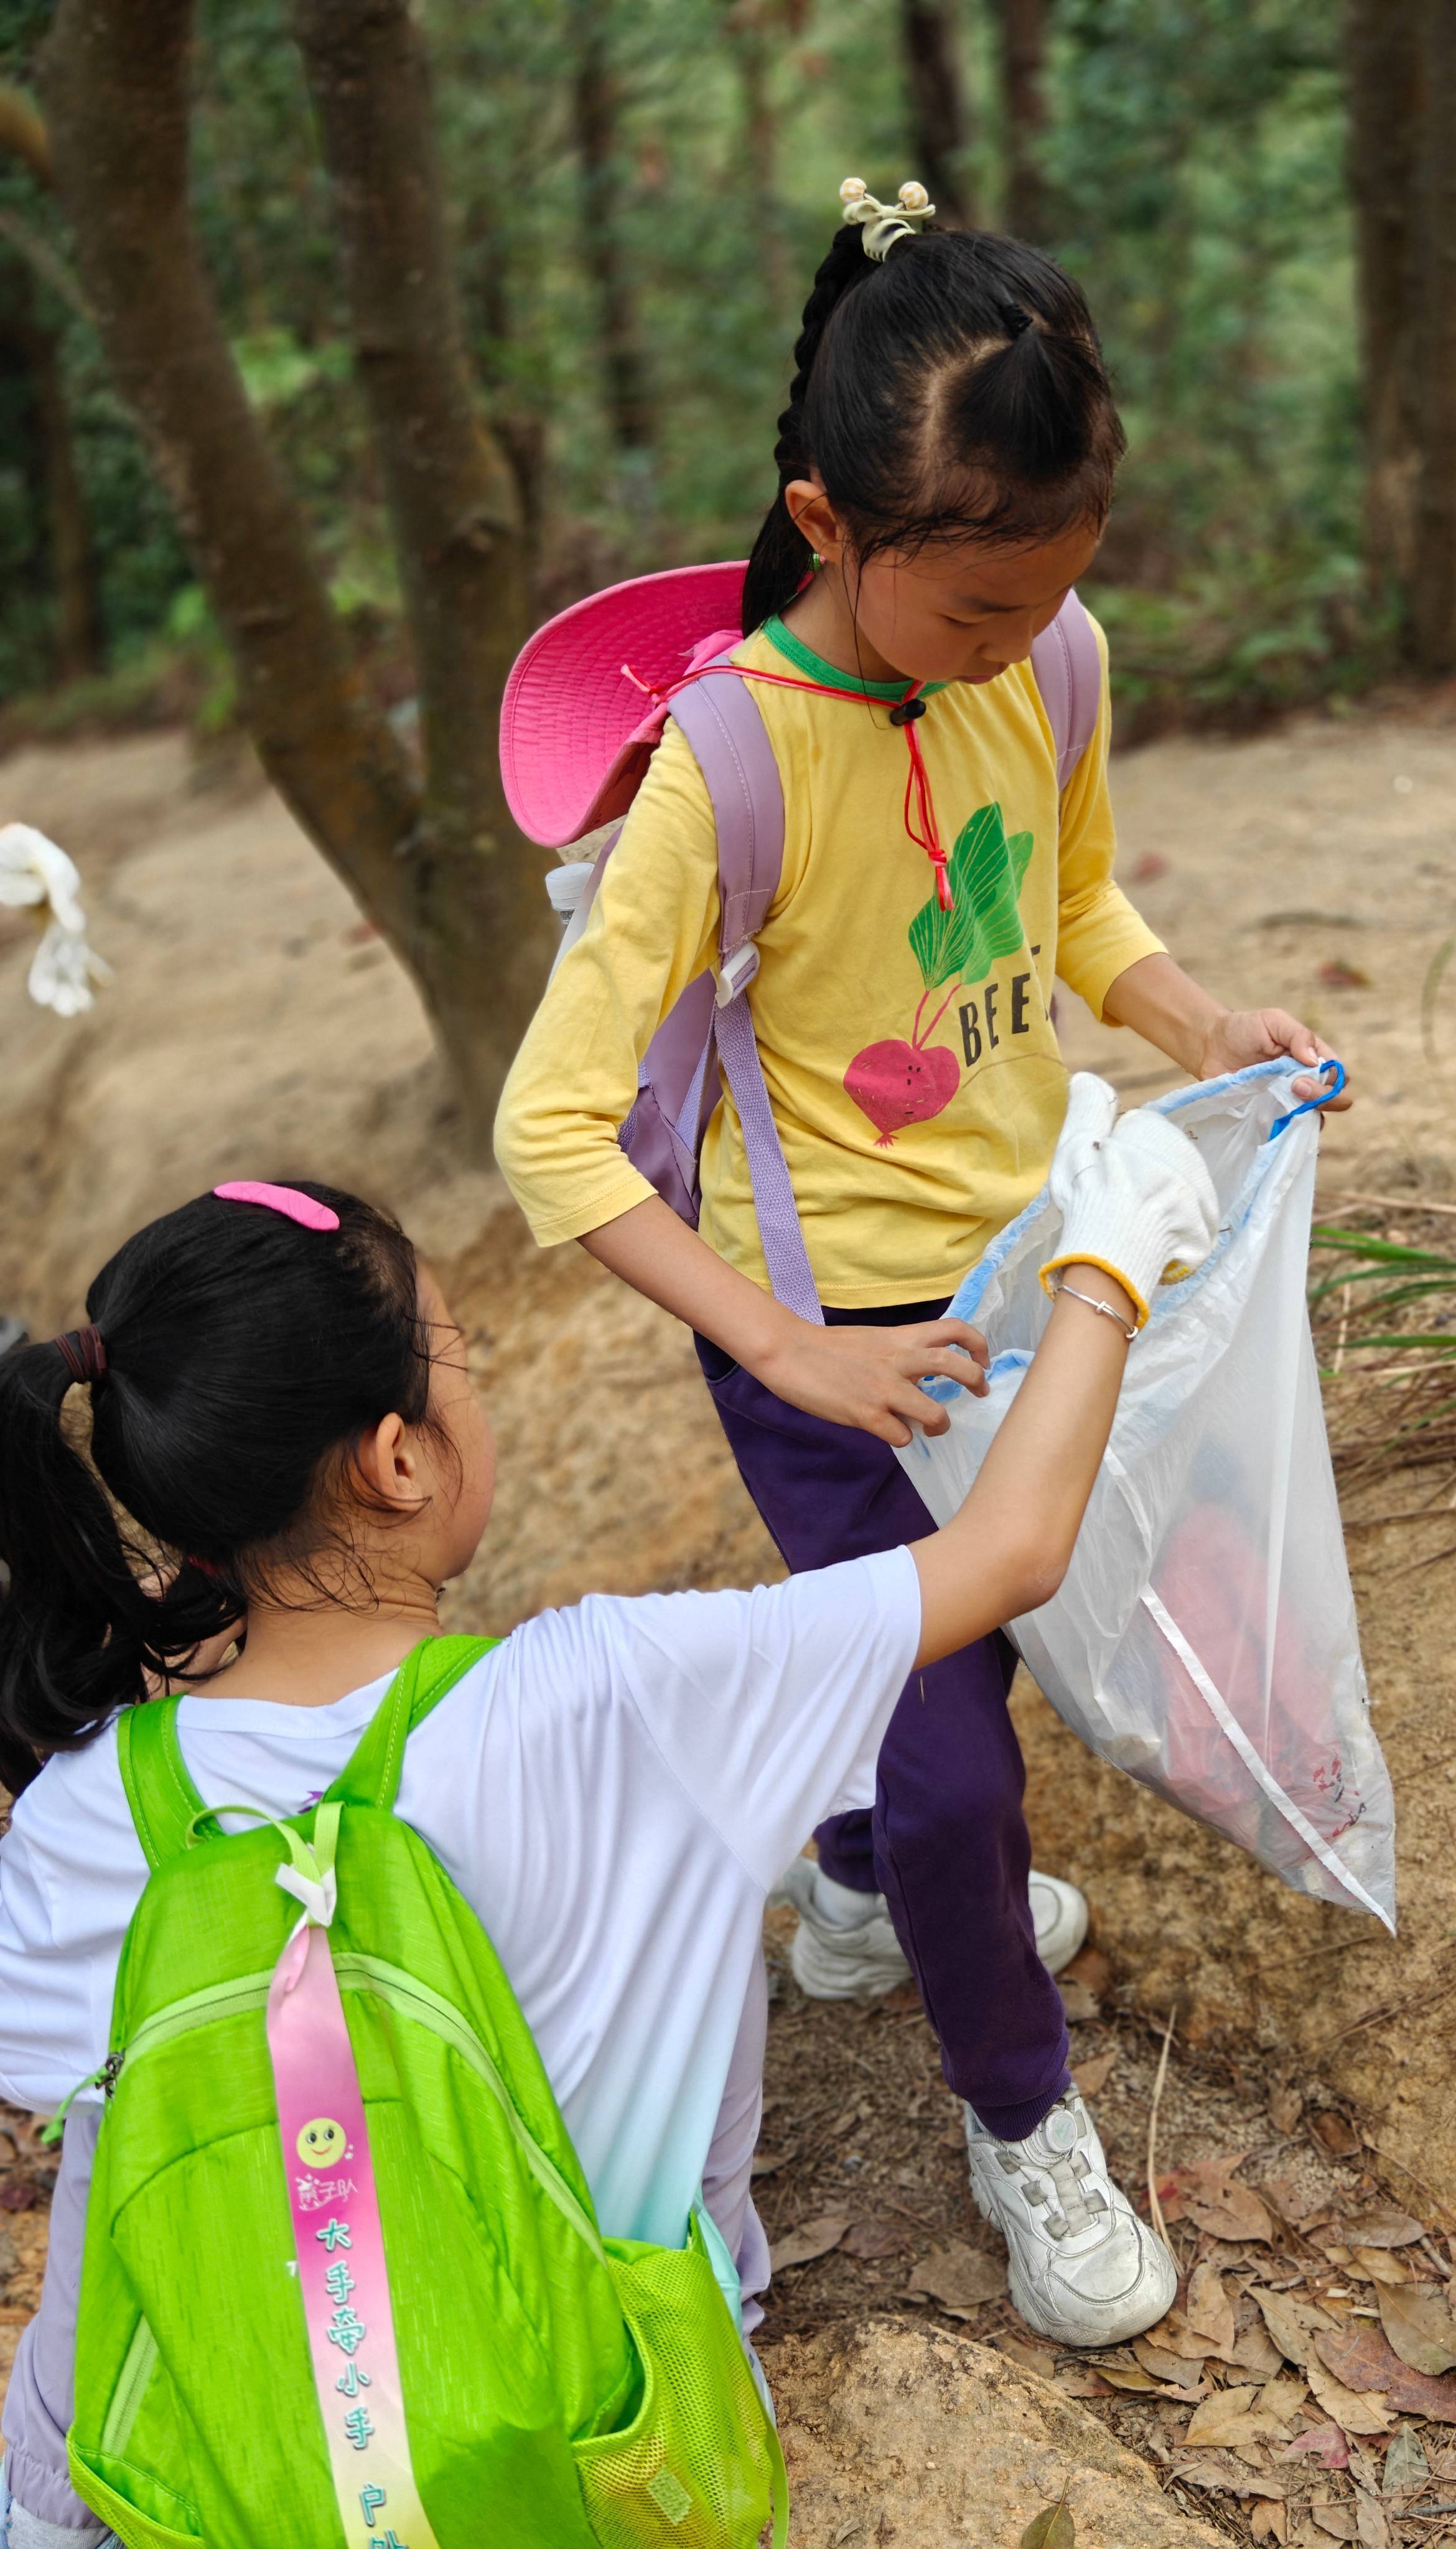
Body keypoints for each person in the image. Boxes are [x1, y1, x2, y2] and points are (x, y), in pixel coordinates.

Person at [492, 178, 1348, 2349]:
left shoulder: (1047, 658)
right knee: (971, 1759)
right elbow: (549, 1130)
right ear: (826, 519)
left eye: (1047, 599)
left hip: (1014, 1285)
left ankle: (864, 1889)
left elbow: (1070, 917)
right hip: (830, 1349)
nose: (1009, 647)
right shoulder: (719, 770)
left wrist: (1195, 1021)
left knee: (989, 1681)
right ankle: (1022, 2120)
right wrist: (786, 1349)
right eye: (968, 610)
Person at [0, 1125, 1215, 2548]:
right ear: (399, 1460)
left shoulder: (91, 1808)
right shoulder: (614, 1701)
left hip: (170, 2470)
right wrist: (1113, 1257)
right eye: (464, 1364)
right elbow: (1011, 1547)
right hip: (586, 2455)